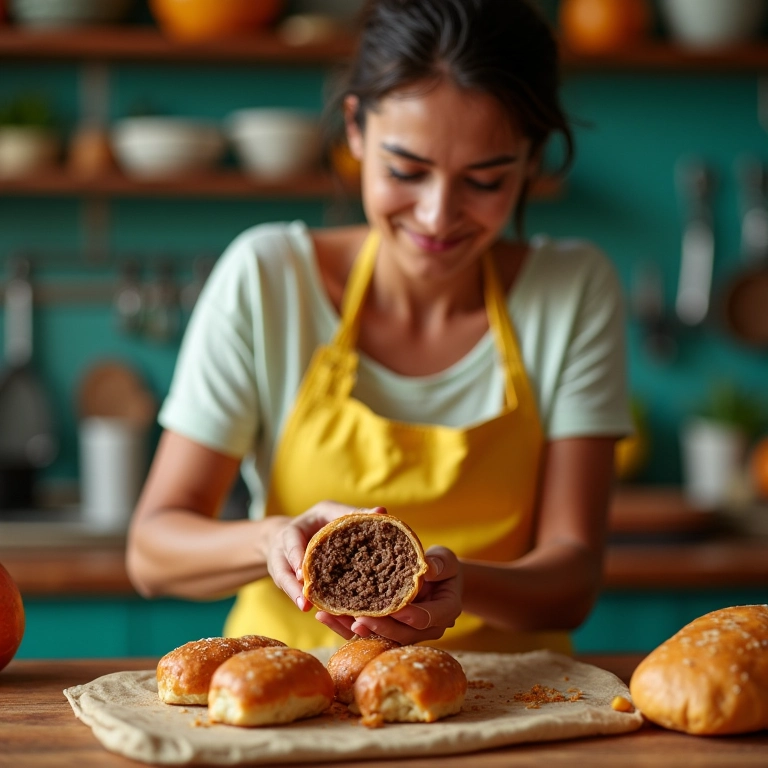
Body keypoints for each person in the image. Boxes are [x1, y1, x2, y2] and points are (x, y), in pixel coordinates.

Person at [126, 0, 631, 655]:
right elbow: (152, 551)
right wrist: (271, 539)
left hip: (507, 705)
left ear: (531, 160)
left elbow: (573, 578)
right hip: (291, 692)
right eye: (406, 170)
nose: (437, 214)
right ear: (356, 129)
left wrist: (458, 585)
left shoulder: (572, 290)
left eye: (484, 180)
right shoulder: (268, 277)